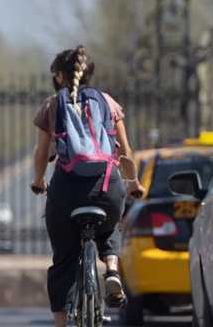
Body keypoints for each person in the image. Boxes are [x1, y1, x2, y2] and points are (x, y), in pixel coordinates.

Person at [30, 46, 138, 327]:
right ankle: (111, 268)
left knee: (64, 260)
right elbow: (125, 151)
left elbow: (41, 154)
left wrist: (38, 180)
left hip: (67, 189)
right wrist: (134, 183)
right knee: (112, 223)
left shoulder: (52, 105)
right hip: (107, 185)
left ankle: (62, 323)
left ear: (59, 76)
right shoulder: (108, 102)